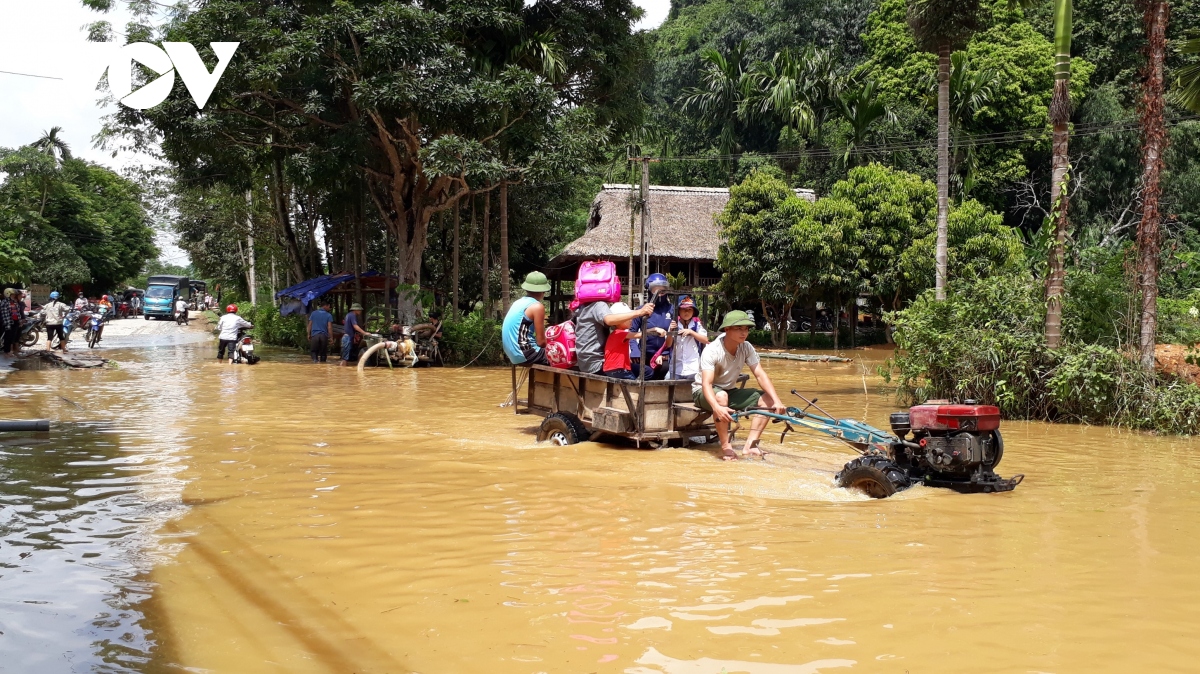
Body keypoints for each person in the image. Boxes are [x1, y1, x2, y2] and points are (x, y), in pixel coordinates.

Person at [694, 310, 786, 461]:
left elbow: (760, 374)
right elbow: (706, 384)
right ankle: (726, 447)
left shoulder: (746, 347)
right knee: (721, 396)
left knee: (767, 399)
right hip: (703, 392)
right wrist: (717, 407)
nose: (744, 333)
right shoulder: (712, 350)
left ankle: (751, 445)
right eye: (738, 329)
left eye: (746, 329)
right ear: (727, 329)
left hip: (730, 390)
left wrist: (777, 401)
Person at [574, 289, 654, 375]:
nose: (631, 320)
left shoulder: (583, 307)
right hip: (598, 364)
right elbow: (609, 320)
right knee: (644, 373)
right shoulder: (599, 305)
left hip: (585, 363)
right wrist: (640, 312)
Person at [630, 273, 676, 379]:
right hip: (643, 355)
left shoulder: (673, 310)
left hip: (664, 357)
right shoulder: (641, 310)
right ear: (649, 290)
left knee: (664, 371)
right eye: (656, 289)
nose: (659, 293)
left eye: (662, 290)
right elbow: (631, 331)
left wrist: (666, 354)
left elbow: (678, 333)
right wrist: (635, 351)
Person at [502, 272, 552, 365]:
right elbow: (541, 342)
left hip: (512, 354)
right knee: (562, 355)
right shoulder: (537, 306)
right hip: (525, 353)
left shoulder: (517, 302)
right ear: (543, 291)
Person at [601, 302, 643, 380]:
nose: (631, 320)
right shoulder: (621, 333)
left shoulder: (615, 333)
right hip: (619, 369)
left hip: (610, 369)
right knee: (635, 388)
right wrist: (654, 330)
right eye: (627, 318)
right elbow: (641, 335)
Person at [670, 297, 709, 380]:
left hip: (693, 367)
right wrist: (670, 332)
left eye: (689, 309)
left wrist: (691, 332)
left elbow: (705, 340)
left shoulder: (696, 325)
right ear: (679, 311)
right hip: (676, 367)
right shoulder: (674, 325)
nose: (686, 312)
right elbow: (668, 344)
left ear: (693, 312)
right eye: (683, 309)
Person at [0, 289, 17, 355]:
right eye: (13, 294)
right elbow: (5, 314)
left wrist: (19, 320)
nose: (14, 295)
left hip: (14, 322)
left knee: (12, 338)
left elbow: (16, 312)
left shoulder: (13, 302)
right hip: (8, 322)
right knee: (7, 338)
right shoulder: (4, 302)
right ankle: (7, 352)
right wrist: (8, 324)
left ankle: (10, 351)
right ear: (8, 294)